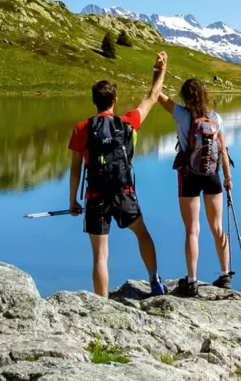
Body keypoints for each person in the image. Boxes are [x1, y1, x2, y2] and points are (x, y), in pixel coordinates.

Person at [67, 52, 169, 297]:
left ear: (95, 101)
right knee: (142, 234)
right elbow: (153, 97)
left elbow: (75, 169)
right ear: (114, 99)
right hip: (123, 193)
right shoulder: (128, 122)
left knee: (100, 256)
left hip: (95, 197)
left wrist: (73, 201)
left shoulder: (82, 128)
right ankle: (155, 281)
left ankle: (101, 304)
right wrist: (160, 69)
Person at [157, 78, 234, 296]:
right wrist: (228, 179)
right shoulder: (216, 118)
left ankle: (191, 280)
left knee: (192, 230)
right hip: (213, 175)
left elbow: (157, 96)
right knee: (217, 227)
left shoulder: (181, 114)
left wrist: (158, 72)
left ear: (185, 96)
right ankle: (225, 274)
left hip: (188, 175)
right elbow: (224, 151)